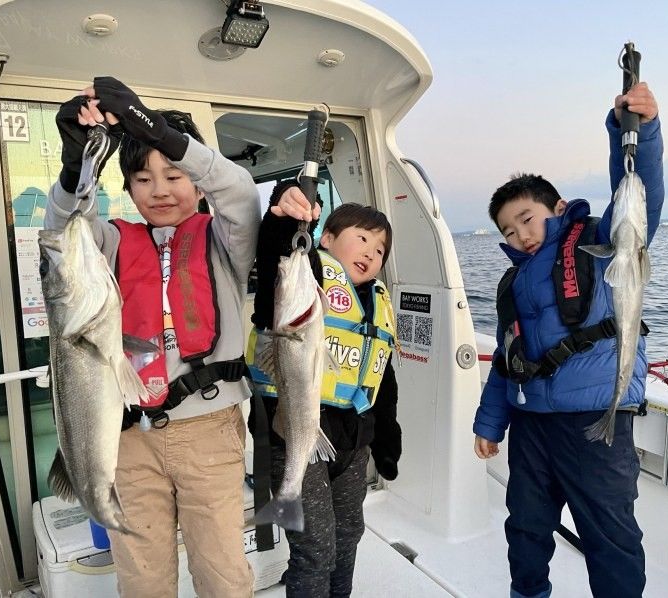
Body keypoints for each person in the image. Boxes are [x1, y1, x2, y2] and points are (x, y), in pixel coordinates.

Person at [45, 76, 260, 597]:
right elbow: (61, 232)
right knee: (142, 577)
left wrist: (162, 133)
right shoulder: (113, 241)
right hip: (125, 438)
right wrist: (77, 168)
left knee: (223, 573)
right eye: (142, 178)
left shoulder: (224, 239)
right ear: (128, 188)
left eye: (175, 174)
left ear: (197, 182)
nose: (160, 189)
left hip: (208, 430)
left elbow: (239, 191)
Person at [473, 82, 663, 598]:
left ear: (556, 208)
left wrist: (637, 132)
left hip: (595, 424)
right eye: (508, 232)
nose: (520, 236)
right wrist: (490, 424)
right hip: (532, 426)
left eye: (527, 220)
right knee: (526, 530)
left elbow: (638, 196)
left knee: (610, 535)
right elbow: (504, 363)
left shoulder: (600, 243)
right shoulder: (510, 284)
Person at [246, 185, 402, 597]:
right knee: (316, 548)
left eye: (380, 249)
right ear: (326, 240)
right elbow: (277, 254)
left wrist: (387, 438)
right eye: (362, 238)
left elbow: (381, 380)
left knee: (349, 534)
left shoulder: (374, 304)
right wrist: (289, 217)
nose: (371, 252)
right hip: (296, 434)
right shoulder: (304, 279)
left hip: (353, 443)